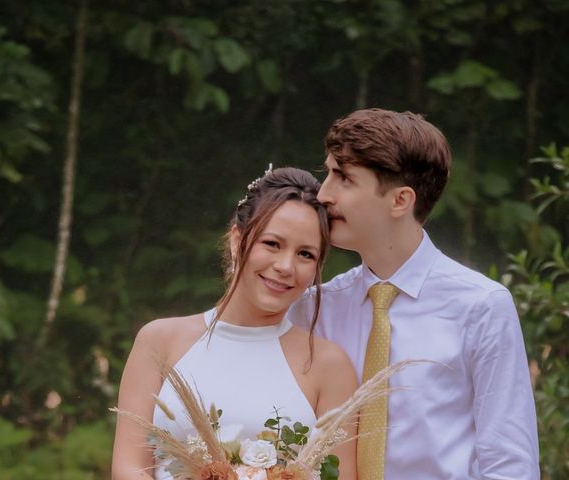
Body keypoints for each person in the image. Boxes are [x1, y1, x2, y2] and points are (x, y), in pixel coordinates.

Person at [288, 108, 540, 479]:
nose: (323, 194)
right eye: (328, 173)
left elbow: (509, 462)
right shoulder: (313, 307)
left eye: (343, 178)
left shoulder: (481, 306)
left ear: (400, 201)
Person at [112, 167, 358, 480]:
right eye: (272, 244)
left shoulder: (328, 365)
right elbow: (129, 467)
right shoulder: (160, 342)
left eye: (305, 254)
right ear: (237, 239)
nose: (285, 266)